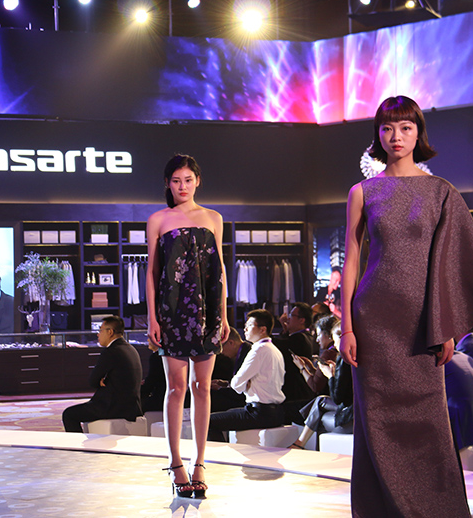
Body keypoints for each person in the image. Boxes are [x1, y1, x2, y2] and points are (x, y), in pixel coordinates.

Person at [339, 95, 473, 517]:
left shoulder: (441, 192)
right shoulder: (362, 192)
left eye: (406, 127)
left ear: (418, 134)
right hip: (373, 321)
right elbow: (352, 262)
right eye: (388, 128)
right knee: (376, 422)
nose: (396, 136)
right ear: (377, 134)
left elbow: (450, 265)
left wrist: (445, 326)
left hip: (421, 324)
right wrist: (347, 327)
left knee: (429, 424)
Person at [146, 154, 229, 499]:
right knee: (177, 387)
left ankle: (200, 463)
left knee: (202, 387)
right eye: (176, 180)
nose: (183, 186)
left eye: (188, 180)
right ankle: (175, 461)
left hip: (208, 310)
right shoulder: (158, 219)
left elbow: (220, 269)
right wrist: (152, 317)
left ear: (198, 181)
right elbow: (152, 272)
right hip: (173, 310)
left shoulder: (214, 218)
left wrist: (224, 315)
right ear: (168, 183)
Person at [208, 309, 285, 441]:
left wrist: (243, 384)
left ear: (262, 329)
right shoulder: (274, 349)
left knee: (208, 421)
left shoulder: (258, 350)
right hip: (275, 411)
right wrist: (245, 384)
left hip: (259, 413)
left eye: (249, 325)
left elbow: (236, 383)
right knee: (226, 414)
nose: (245, 329)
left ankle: (220, 453)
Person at [62, 316, 142, 432]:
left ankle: (77, 443)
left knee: (69, 414)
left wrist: (102, 380)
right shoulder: (131, 349)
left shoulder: (111, 351)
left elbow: (93, 381)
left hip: (113, 407)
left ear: (110, 332)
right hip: (132, 406)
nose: (98, 334)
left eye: (100, 330)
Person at [289, 315, 353, 450]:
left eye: (319, 335)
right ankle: (300, 444)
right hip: (360, 412)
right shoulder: (357, 356)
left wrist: (329, 375)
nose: (317, 340)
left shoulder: (339, 357)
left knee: (319, 403)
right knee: (318, 404)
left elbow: (335, 396)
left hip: (350, 415)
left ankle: (300, 444)